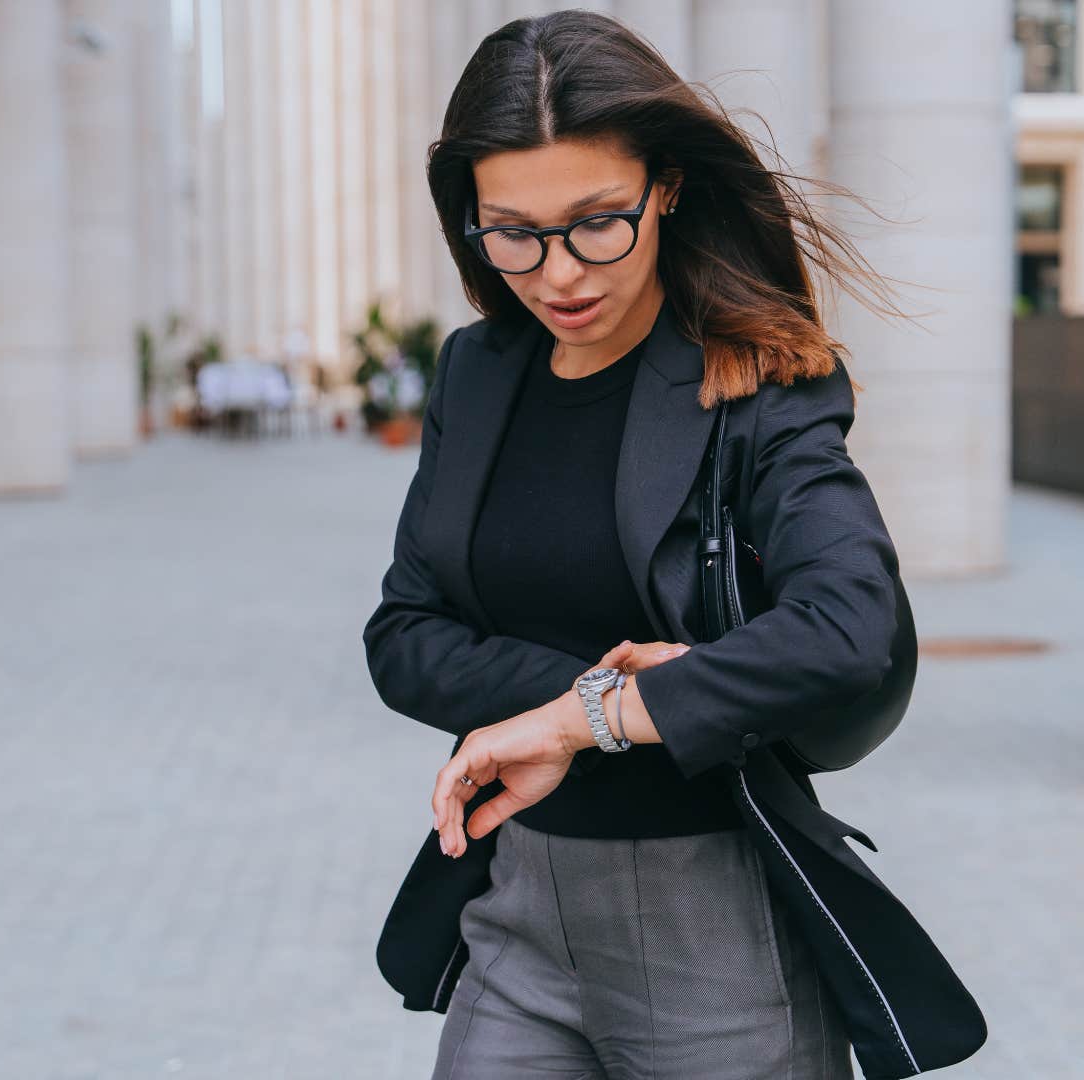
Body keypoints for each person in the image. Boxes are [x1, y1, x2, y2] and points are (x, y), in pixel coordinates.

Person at [363, 11, 986, 1079]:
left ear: (668, 190)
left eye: (598, 222)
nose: (557, 274)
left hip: (714, 938)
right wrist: (586, 707)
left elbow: (850, 630)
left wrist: (583, 719)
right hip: (515, 912)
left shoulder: (760, 379)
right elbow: (403, 635)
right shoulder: (478, 374)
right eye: (511, 232)